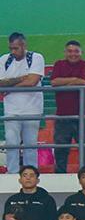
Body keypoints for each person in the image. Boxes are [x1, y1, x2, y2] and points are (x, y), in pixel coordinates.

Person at [0, 33, 45, 174]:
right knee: (11, 143)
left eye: (16, 48)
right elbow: (1, 83)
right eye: (11, 48)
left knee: (30, 144)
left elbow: (32, 81)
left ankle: (31, 173)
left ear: (24, 45)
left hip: (32, 109)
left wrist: (10, 86)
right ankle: (12, 173)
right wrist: (22, 78)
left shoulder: (36, 57)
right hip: (11, 109)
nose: (13, 51)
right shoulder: (4, 59)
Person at [50, 40, 85, 172]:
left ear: (81, 52)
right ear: (65, 52)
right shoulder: (59, 64)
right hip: (63, 115)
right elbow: (54, 82)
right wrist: (74, 80)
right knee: (61, 149)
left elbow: (83, 82)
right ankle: (60, 177)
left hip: (83, 114)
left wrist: (64, 82)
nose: (73, 54)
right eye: (70, 51)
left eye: (76, 51)